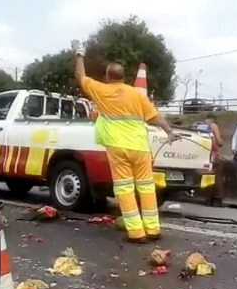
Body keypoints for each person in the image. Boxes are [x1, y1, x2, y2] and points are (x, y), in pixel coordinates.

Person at [71, 40, 180, 244]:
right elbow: (154, 116)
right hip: (140, 148)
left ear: (107, 76)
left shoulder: (101, 90)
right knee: (147, 188)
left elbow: (81, 77)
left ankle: (137, 233)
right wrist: (169, 132)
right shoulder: (135, 95)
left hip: (118, 149)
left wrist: (79, 54)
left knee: (125, 189)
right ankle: (153, 229)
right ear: (123, 77)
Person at [194, 113, 225, 207]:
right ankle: (217, 199)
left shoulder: (199, 126)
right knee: (217, 178)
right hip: (213, 156)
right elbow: (219, 142)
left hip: (203, 156)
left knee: (207, 178)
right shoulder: (213, 126)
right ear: (213, 119)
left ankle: (208, 198)